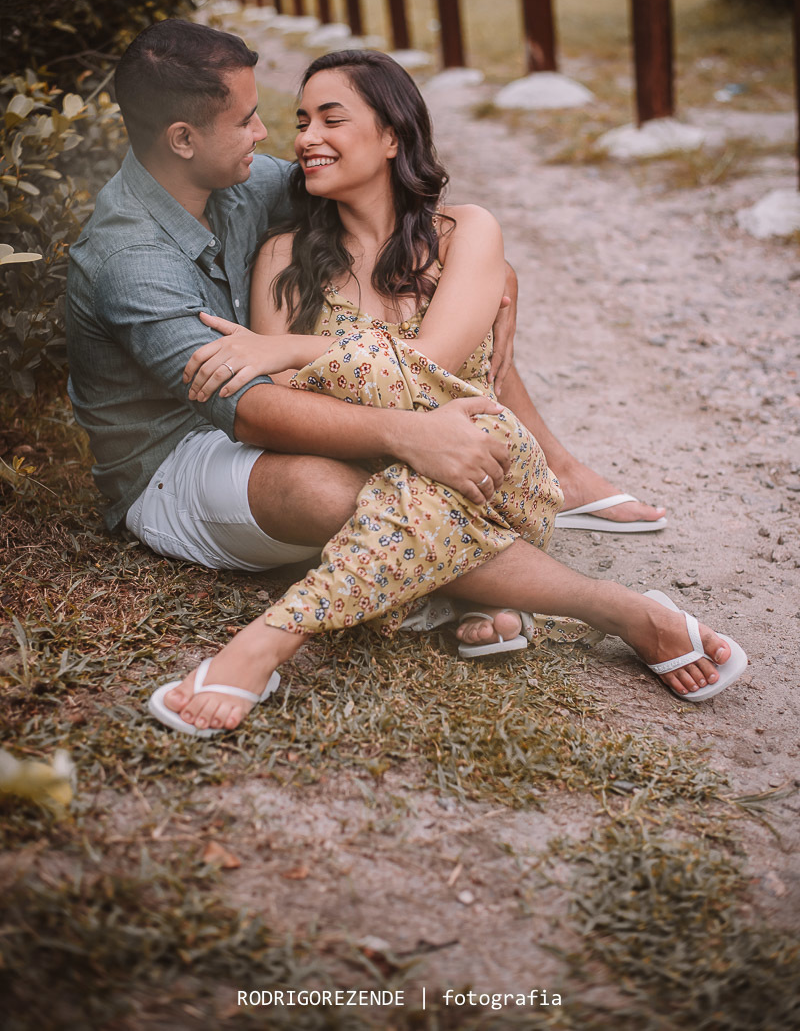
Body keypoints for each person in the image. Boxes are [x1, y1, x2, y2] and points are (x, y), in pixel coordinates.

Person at [149, 48, 747, 737]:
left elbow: (432, 366)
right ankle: (614, 609)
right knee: (395, 489)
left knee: (461, 433)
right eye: (302, 120)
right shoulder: (284, 257)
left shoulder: (467, 232)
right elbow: (288, 410)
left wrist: (288, 347)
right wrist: (316, 384)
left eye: (332, 119)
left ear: (393, 135)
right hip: (383, 480)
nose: (307, 138)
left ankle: (266, 642)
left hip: (488, 472)